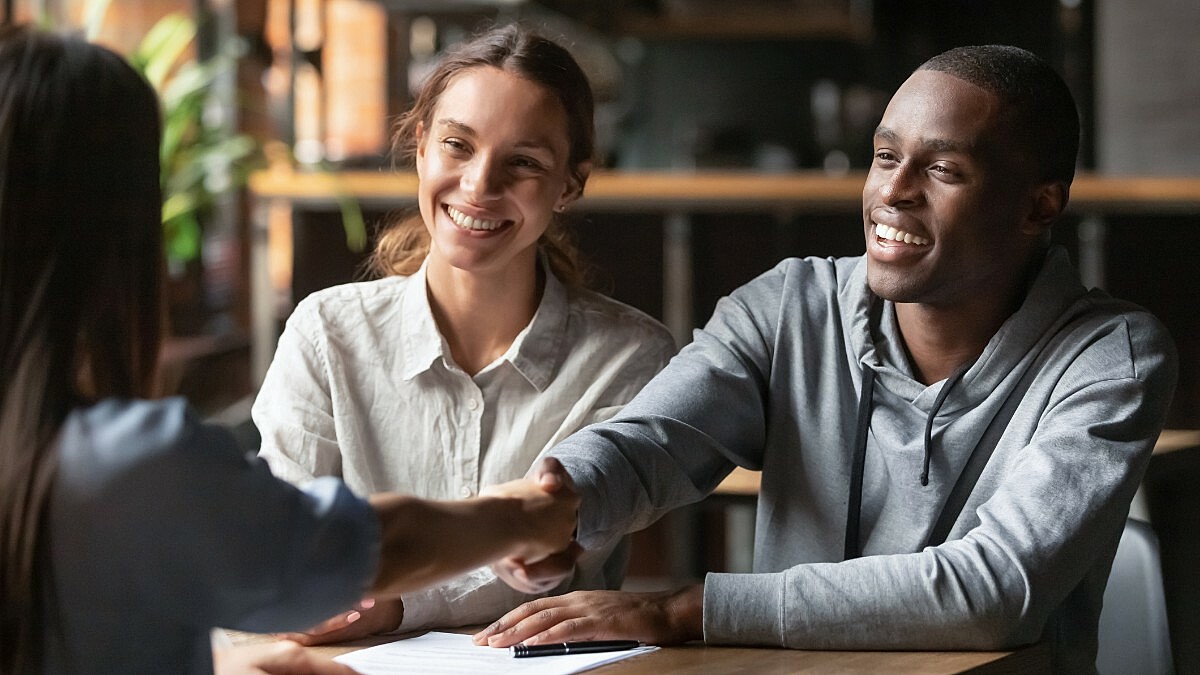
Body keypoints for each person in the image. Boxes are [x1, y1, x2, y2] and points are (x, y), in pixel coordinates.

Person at [473, 45, 1179, 673]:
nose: (893, 193)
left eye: (942, 168)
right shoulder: (789, 305)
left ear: (1039, 206)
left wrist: (686, 610)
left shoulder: (1111, 357)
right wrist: (562, 498)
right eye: (885, 156)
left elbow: (994, 589)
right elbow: (653, 440)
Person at [0, 24, 578, 674]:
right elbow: (345, 545)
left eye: (522, 160)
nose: (478, 184)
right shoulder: (132, 464)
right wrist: (526, 515)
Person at [251, 23, 675, 644]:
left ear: (571, 184)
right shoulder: (325, 333)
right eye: (458, 145)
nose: (479, 185)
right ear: (420, 146)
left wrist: (393, 602)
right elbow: (284, 546)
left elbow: (554, 555)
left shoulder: (629, 359)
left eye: (524, 162)